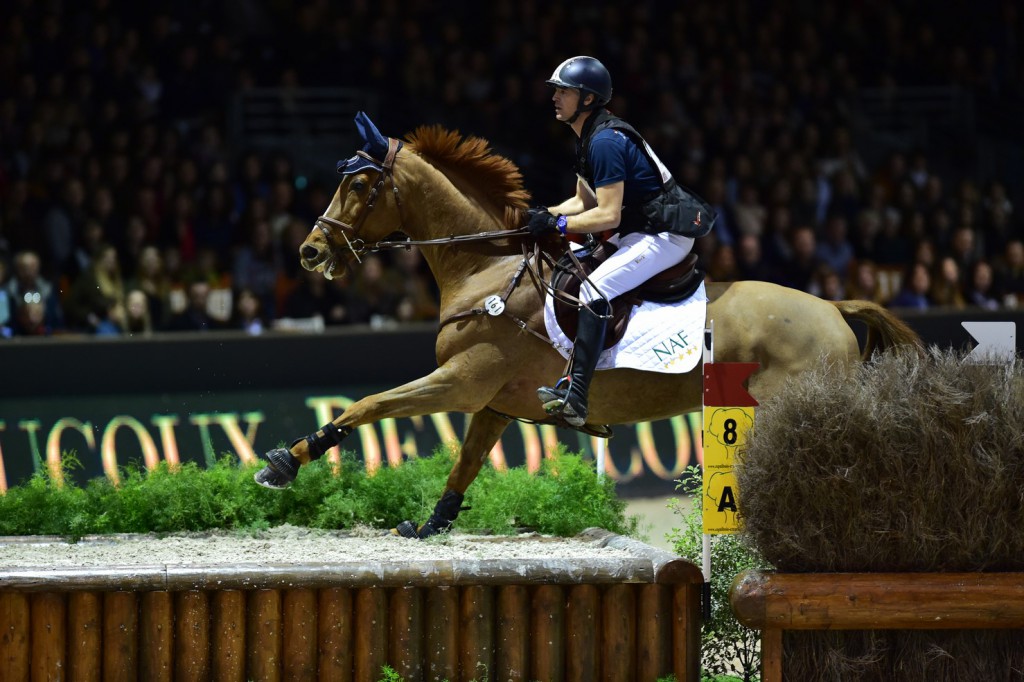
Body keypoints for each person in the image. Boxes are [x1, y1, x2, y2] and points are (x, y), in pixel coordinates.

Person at [526, 56, 714, 427]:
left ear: (588, 100)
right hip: (635, 232)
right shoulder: (588, 138)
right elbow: (583, 202)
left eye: (564, 91)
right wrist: (537, 216)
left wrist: (558, 224)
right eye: (556, 90)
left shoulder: (606, 142)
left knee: (593, 291)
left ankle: (576, 394)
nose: (555, 97)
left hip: (664, 236)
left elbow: (607, 214)